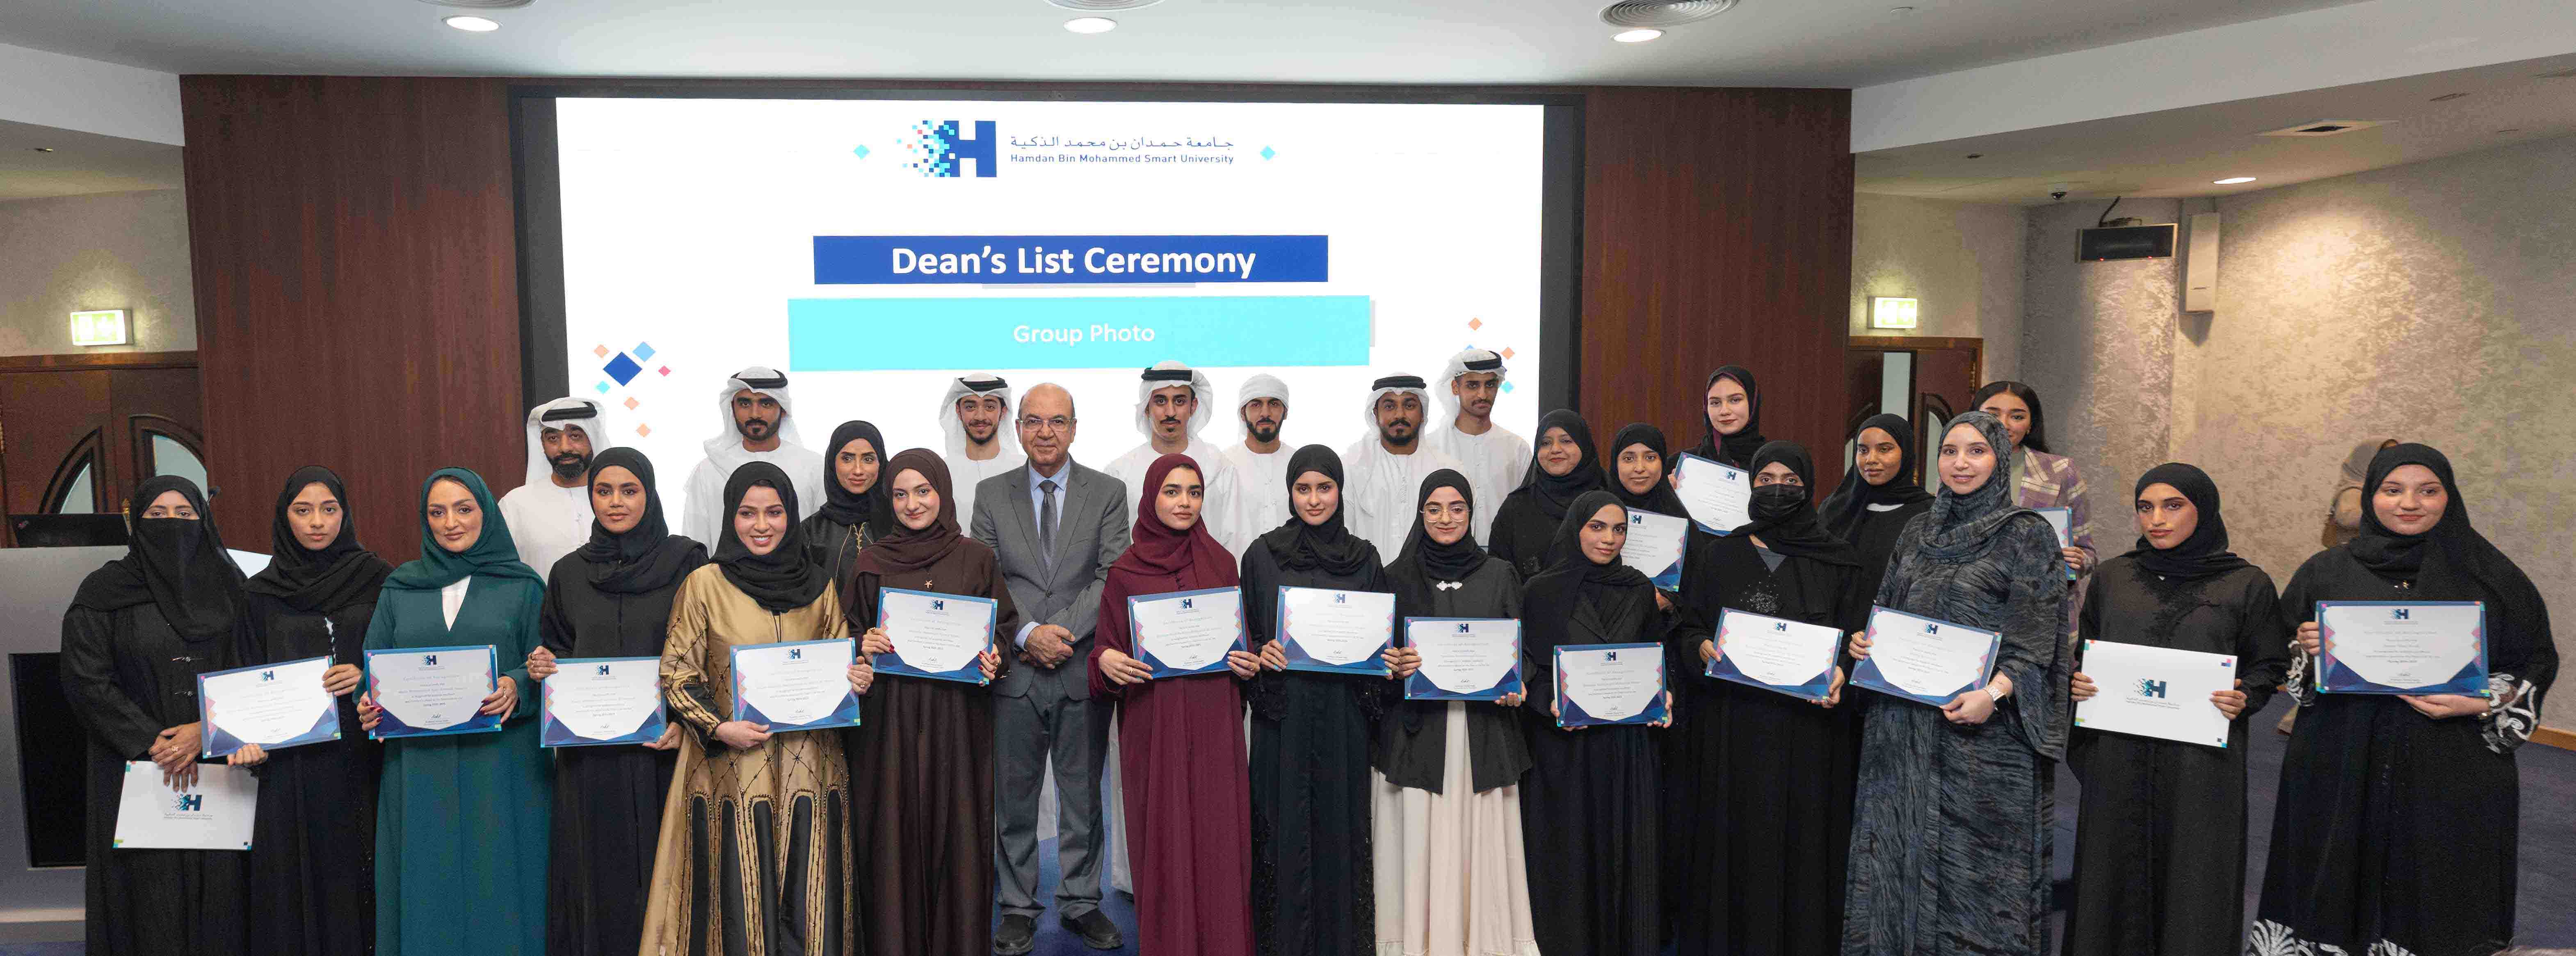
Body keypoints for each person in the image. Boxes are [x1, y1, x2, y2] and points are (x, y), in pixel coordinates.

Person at [2250, 444, 2555, 956]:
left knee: (2437, 874)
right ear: (2371, 495)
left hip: (2448, 757)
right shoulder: (2326, 570)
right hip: (2339, 754)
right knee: (2333, 867)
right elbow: (2277, 651)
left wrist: (2481, 702)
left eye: (2427, 491)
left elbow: (2534, 660)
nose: (2409, 503)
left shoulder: (2490, 575)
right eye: (2393, 490)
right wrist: (2306, 647)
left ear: (2449, 496)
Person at [1841, 412, 2070, 956]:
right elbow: (1887, 610)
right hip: (1901, 732)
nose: (1960, 463)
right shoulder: (1918, 531)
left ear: (2000, 459)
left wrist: (1993, 694)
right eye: (1949, 451)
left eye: (1976, 451)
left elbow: (2036, 640)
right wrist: (1865, 645)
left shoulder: (2027, 534)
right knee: (1894, 856)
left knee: (1976, 880)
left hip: (1982, 739)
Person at [636, 461, 866, 956]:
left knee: (811, 893)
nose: (762, 525)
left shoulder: (820, 586)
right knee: (737, 899)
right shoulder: (705, 584)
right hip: (731, 768)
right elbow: (676, 673)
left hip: (813, 765)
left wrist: (856, 679)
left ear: (791, 516)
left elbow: (838, 662)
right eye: (747, 513)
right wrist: (719, 728)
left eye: (774, 512)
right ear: (730, 517)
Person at [2060, 463, 2288, 956]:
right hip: (2118, 751)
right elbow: (2089, 651)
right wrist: (2079, 681)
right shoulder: (2114, 577)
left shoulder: (2245, 584)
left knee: (2193, 872)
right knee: (2111, 868)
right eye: (2145, 507)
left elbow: (2269, 663)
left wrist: (2246, 695)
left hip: (2199, 762)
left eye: (2172, 506)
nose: (2156, 519)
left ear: (2203, 510)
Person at [1667, 440, 1867, 956]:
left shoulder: (1840, 560)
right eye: (1766, 480)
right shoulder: (1720, 554)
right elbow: (1687, 626)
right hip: (1733, 730)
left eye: (1790, 481)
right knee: (1734, 840)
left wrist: (1843, 672)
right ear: (1751, 486)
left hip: (1809, 736)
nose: (1778, 489)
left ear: (1809, 487)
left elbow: (1857, 641)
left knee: (1803, 843)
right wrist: (1699, 645)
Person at [356, 468, 552, 956]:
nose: (451, 523)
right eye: (437, 512)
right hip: (420, 767)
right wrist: (366, 701)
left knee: (501, 878)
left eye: (464, 509)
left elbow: (545, 664)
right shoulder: (400, 587)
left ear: (486, 513)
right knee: (427, 879)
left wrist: (517, 683)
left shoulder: (523, 585)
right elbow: (373, 664)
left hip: (502, 763)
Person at [521, 448, 707, 956]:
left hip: (663, 751)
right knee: (597, 881)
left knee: (669, 877)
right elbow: (558, 648)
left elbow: (704, 651)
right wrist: (543, 666)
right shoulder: (568, 573)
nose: (616, 502)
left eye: (629, 490)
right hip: (591, 760)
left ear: (649, 494)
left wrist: (684, 723)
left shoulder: (687, 563)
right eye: (603, 491)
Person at [61, 476, 253, 956]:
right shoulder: (103, 591)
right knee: (149, 898)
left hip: (221, 760)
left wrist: (205, 731)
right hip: (135, 766)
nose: (172, 524)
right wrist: (154, 741)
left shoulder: (234, 589)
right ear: (137, 522)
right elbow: (86, 679)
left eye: (185, 515)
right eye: (158, 515)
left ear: (204, 521)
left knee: (224, 898)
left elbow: (258, 670)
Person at [971, 383, 1133, 954]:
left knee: (1082, 796)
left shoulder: (1108, 492)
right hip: (1015, 670)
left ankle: (1081, 901)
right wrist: (1026, 634)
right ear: (1018, 428)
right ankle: (1018, 907)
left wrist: (1057, 632)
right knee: (1014, 799)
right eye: (1034, 421)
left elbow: (1112, 574)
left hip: (1079, 665)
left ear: (1074, 428)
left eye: (1057, 421)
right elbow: (988, 574)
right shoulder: (990, 494)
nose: (1045, 432)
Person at [1089, 453, 1265, 956]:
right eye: (1172, 491)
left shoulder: (1222, 563)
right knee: (1164, 837)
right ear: (1150, 498)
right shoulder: (1125, 571)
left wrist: (1248, 661)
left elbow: (1241, 644)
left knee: (1218, 839)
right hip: (1155, 726)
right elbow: (1104, 653)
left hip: (1214, 724)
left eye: (1194, 492)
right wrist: (1106, 661)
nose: (1184, 502)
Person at [847, 450, 1016, 956]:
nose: (912, 504)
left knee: (958, 833)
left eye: (923, 491)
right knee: (892, 834)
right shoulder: (871, 562)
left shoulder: (976, 557)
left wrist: (995, 658)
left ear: (942, 492)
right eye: (900, 494)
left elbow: (1003, 630)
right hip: (890, 723)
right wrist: (863, 645)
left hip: (957, 722)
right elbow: (846, 635)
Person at [1370, 470, 1541, 956]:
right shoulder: (1395, 577)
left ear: (1471, 513)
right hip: (1416, 735)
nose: (1446, 518)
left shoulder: (1500, 574)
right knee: (1420, 842)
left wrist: (1518, 683)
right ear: (1420, 514)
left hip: (1483, 734)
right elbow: (1376, 657)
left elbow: (1523, 652)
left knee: (1477, 843)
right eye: (1434, 509)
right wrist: (1391, 664)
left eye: (1457, 508)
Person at [1240, 445, 1395, 956]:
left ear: (1339, 491)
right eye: (1302, 489)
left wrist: (1384, 659)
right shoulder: (1262, 555)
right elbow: (1247, 635)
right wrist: (1261, 651)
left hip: (1343, 719)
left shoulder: (1365, 558)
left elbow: (1381, 646)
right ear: (1289, 493)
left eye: (1324, 488)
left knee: (1339, 831)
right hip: (1283, 718)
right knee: (1280, 830)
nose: (1313, 499)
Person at [238, 466, 393, 956]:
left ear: (345, 514)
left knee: (367, 866)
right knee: (301, 875)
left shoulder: (380, 580)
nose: (317, 522)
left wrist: (366, 675)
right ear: (285, 517)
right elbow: (245, 671)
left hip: (368, 752)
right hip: (294, 764)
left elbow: (403, 657)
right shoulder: (259, 594)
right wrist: (244, 737)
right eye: (303, 511)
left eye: (329, 509)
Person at [1517, 490, 1668, 956]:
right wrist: (1549, 703)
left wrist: (1664, 692)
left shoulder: (1639, 588)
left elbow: (1656, 655)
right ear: (1575, 528)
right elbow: (1526, 667)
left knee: (1626, 854)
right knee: (1569, 855)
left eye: (1619, 529)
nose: (1609, 539)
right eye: (1597, 527)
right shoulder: (1540, 590)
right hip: (1565, 747)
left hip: (1626, 747)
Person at [1103, 361, 1248, 552]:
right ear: (1147, 408)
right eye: (1160, 401)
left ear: (1193, 406)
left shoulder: (1219, 467)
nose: (1170, 412)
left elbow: (1236, 542)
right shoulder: (1120, 473)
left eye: (1179, 401)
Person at [681, 366, 825, 547]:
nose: (755, 414)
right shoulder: (709, 470)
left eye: (766, 404)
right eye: (745, 404)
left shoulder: (813, 467)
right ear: (732, 409)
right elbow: (696, 541)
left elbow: (823, 541)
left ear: (783, 409)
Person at [1973, 380, 2094, 584]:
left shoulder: (2062, 471)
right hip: (1972, 593)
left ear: (2031, 425)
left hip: (2040, 596)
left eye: (2017, 417)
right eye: (1992, 415)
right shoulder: (1957, 468)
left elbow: (2088, 552)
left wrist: (2076, 561)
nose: (2004, 424)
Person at [1341, 374, 1465, 556]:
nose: (1400, 415)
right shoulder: (1351, 468)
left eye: (1409, 406)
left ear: (1423, 414)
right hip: (1367, 573)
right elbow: (1343, 537)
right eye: (1390, 407)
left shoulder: (1448, 470)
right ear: (1376, 414)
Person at [1818, 413, 1935, 593]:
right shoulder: (1836, 509)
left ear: (1905, 453)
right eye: (1863, 450)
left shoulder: (1929, 513)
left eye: (1884, 449)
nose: (1871, 459)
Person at [1421, 348, 1530, 543]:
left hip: (1503, 553)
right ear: (1455, 388)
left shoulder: (1517, 448)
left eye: (1490, 385)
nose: (1482, 395)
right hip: (1445, 553)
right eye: (1473, 385)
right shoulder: (1431, 446)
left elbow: (1526, 509)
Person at [1487, 409, 1605, 578]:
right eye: (1545, 443)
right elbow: (1498, 575)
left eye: (1566, 441)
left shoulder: (1608, 501)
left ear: (1584, 446)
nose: (1555, 449)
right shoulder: (1516, 507)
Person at [497, 396, 605, 573]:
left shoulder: (617, 501)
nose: (565, 448)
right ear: (542, 444)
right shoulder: (515, 504)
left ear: (593, 438)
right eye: (553, 438)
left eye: (575, 436)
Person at [803, 419, 894, 582]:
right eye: (847, 459)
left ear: (881, 464)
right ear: (833, 463)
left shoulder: (899, 524)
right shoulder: (812, 531)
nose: (858, 470)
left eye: (868, 459)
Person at [1219, 372, 1295, 540]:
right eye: (1256, 405)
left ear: (1285, 412)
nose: (1265, 413)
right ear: (1242, 413)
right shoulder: (1223, 464)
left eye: (1274, 404)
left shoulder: (1299, 463)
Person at [941, 372, 1026, 521]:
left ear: (1003, 412)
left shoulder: (1025, 468)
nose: (980, 416)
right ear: (959, 412)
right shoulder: (943, 471)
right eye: (970, 407)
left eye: (990, 407)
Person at [2321, 437, 2398, 550]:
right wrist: (2389, 514)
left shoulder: (2379, 487)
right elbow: (2347, 518)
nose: (2394, 460)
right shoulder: (2353, 490)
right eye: (2386, 455)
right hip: (2355, 555)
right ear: (2367, 459)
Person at [1683, 365, 1766, 469]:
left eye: (1735, 400)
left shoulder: (1774, 461)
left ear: (1752, 403)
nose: (1724, 411)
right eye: (1716, 403)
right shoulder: (1683, 464)